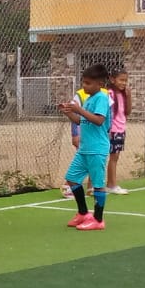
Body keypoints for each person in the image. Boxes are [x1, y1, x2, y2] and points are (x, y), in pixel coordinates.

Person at [58, 64, 112, 231]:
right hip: (84, 148)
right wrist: (68, 112)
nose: (84, 86)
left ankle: (98, 219)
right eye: (83, 82)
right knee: (72, 179)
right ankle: (83, 213)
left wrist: (79, 110)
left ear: (100, 84)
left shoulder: (102, 98)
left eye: (88, 83)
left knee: (97, 184)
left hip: (97, 149)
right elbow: (80, 121)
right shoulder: (89, 99)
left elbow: (99, 120)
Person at [105, 68, 130, 194]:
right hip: (112, 130)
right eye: (121, 80)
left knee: (115, 157)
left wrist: (129, 96)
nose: (124, 83)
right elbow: (107, 112)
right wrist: (108, 129)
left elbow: (128, 112)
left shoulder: (123, 94)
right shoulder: (109, 93)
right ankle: (112, 185)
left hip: (120, 129)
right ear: (112, 79)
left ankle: (111, 184)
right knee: (113, 158)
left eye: (126, 80)